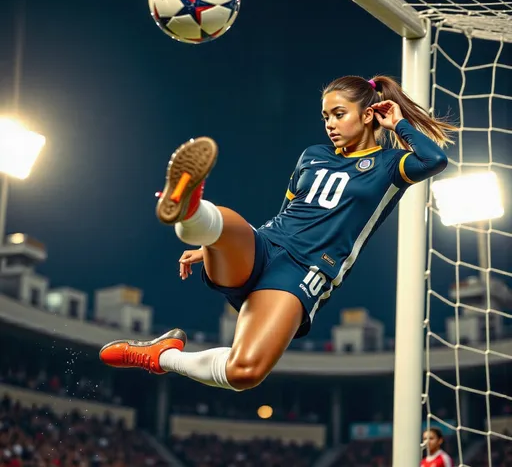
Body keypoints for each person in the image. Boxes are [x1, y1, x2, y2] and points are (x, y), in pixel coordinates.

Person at [100, 75, 455, 391]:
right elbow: (285, 214)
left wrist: (399, 124)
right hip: (266, 243)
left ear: (368, 115)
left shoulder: (390, 166)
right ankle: (191, 210)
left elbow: (434, 160)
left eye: (339, 114)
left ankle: (161, 355)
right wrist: (216, 246)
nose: (330, 124)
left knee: (244, 373)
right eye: (326, 116)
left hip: (303, 272)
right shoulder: (312, 155)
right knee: (212, 229)